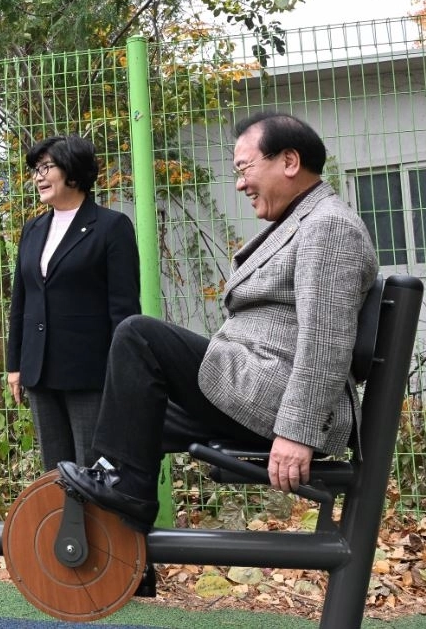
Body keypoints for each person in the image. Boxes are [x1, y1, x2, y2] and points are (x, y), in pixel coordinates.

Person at [58, 112, 379, 538]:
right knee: (127, 416)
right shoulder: (304, 221)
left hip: (274, 399)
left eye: (244, 168)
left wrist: (296, 432)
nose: (240, 183)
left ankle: (124, 497)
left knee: (139, 336)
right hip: (254, 387)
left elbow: (326, 340)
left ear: (288, 161)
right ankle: (120, 540)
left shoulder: (328, 226)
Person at [6, 134, 141, 470]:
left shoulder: (111, 227)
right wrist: (15, 364)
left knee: (95, 469)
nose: (37, 177)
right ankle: (63, 525)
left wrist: (120, 374)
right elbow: (21, 300)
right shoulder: (33, 229)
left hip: (90, 375)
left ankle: (98, 526)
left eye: (46, 167)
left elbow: (123, 310)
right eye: (35, 170)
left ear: (73, 171)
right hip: (39, 372)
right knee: (55, 472)